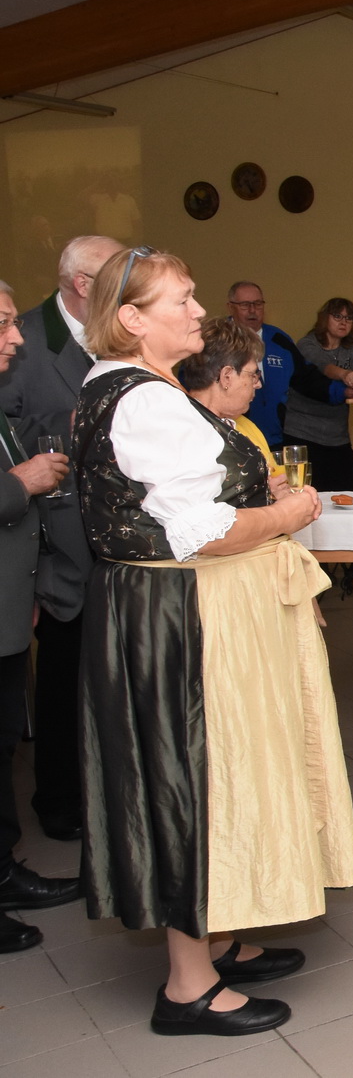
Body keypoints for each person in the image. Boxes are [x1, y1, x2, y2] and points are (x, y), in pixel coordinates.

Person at [73, 247, 353, 1037]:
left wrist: (253, 494)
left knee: (203, 769)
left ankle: (217, 937)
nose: (200, 311)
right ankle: (187, 985)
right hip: (172, 612)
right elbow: (204, 531)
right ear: (133, 319)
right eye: (183, 299)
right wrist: (287, 513)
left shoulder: (120, 383)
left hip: (151, 604)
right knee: (188, 775)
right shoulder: (147, 402)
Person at [0, 233, 121, 842]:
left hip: (114, 535)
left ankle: (108, 793)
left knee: (110, 680)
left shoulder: (117, 331)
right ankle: (60, 799)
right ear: (82, 284)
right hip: (52, 541)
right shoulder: (23, 338)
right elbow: (6, 434)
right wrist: (67, 426)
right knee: (62, 679)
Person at [0, 280, 84, 952]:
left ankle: (5, 871)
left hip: (14, 591)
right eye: (3, 324)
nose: (16, 335)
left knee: (4, 738)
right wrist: (18, 484)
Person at [225, 281, 353, 450]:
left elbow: (306, 378)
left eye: (257, 304)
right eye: (245, 305)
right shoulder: (217, 341)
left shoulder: (279, 339)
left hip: (275, 439)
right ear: (230, 307)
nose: (252, 310)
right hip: (231, 440)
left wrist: (342, 391)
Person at [290, 298, 353, 491]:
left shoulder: (351, 347)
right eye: (337, 316)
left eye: (349, 318)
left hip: (337, 434)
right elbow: (322, 366)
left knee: (349, 493)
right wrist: (344, 374)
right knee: (309, 496)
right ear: (324, 318)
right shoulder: (307, 344)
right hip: (304, 431)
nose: (344, 322)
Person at [180, 319, 279, 472]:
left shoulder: (245, 425)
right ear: (226, 376)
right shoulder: (182, 431)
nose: (258, 384)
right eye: (253, 375)